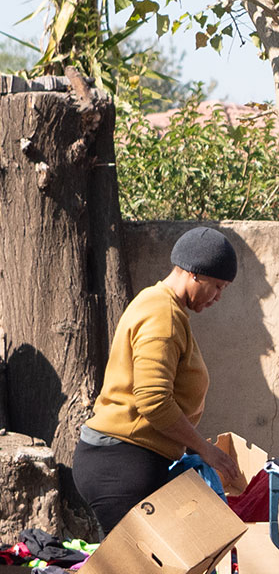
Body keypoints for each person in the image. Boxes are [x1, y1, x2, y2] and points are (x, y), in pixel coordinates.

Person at [74, 226, 244, 533]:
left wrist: (192, 447)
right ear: (194, 273)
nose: (218, 297)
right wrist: (204, 449)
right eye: (217, 286)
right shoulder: (161, 312)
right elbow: (153, 401)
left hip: (126, 461)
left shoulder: (167, 309)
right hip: (120, 463)